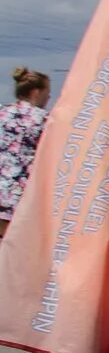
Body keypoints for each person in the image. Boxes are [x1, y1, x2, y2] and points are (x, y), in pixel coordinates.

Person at [0, 66, 49, 242]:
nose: (49, 97)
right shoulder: (43, 119)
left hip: (1, 186)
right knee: (17, 244)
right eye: (47, 92)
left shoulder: (2, 112)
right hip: (21, 191)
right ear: (36, 92)